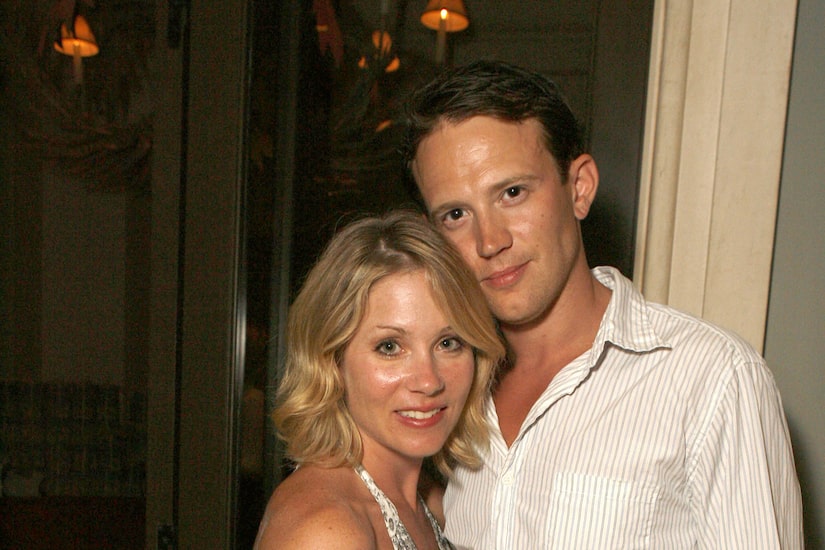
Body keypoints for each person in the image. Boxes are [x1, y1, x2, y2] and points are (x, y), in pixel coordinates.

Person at [403, 60, 803, 548]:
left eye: (512, 192)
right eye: (455, 214)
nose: (489, 241)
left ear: (579, 187)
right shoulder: (444, 386)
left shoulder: (714, 378)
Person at [253, 210, 505, 549]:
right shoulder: (325, 531)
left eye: (448, 343)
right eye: (390, 347)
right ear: (332, 360)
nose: (429, 382)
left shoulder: (429, 501)